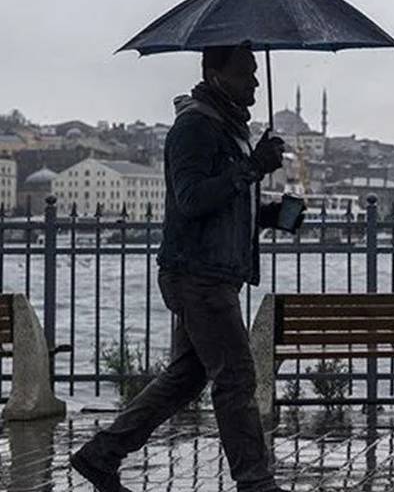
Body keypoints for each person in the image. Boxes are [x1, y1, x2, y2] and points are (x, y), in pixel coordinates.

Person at [70, 44, 301, 492]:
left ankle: (101, 455)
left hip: (212, 273)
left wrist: (274, 214)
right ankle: (256, 483)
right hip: (198, 275)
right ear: (217, 76)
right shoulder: (194, 127)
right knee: (235, 376)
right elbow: (192, 199)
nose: (255, 81)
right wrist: (253, 167)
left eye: (256, 72)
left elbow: (227, 200)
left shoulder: (229, 128)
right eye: (245, 72)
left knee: (186, 378)